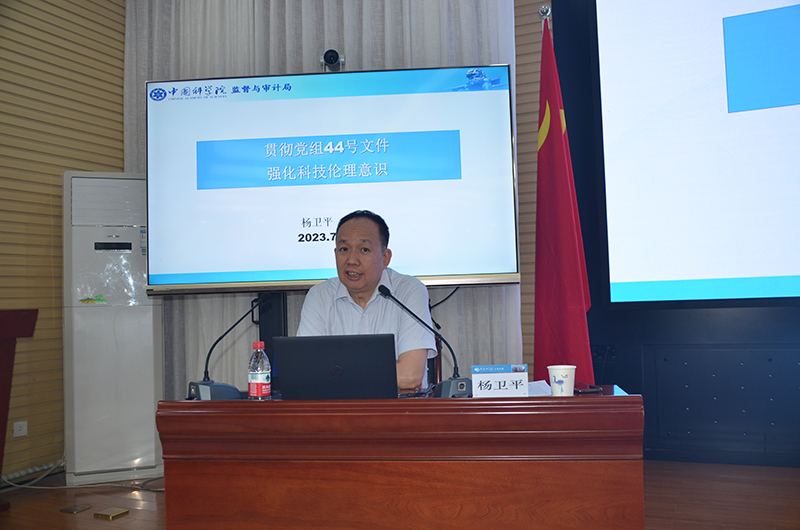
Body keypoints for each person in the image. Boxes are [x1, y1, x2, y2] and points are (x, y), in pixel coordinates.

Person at [296, 210, 437, 391]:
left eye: (364, 250)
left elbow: (409, 376)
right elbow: (306, 373)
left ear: (385, 258)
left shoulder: (408, 291)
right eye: (344, 249)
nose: (352, 260)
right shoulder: (319, 296)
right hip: (338, 408)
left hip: (397, 408)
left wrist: (337, 373)